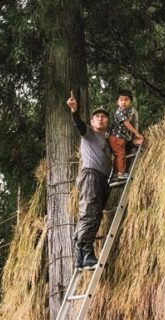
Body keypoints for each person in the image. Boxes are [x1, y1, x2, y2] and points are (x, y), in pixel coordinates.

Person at [66, 91, 112, 269]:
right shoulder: (90, 134)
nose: (100, 119)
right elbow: (79, 125)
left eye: (103, 117)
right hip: (91, 175)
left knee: (94, 214)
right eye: (97, 117)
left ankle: (80, 256)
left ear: (107, 122)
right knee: (89, 214)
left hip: (100, 179)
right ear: (92, 122)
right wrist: (74, 111)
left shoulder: (106, 140)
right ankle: (86, 252)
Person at [108, 89, 144, 180]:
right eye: (121, 100)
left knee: (118, 155)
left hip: (119, 138)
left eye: (126, 100)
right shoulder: (119, 112)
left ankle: (116, 173)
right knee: (121, 154)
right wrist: (137, 133)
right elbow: (127, 124)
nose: (123, 102)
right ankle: (121, 173)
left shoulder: (125, 113)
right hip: (116, 138)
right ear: (117, 102)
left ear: (130, 102)